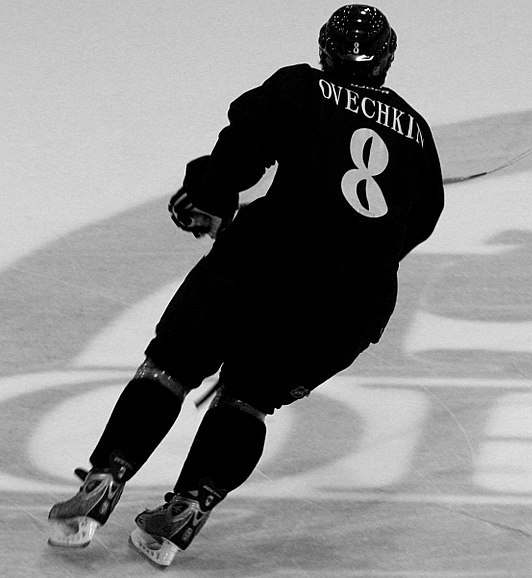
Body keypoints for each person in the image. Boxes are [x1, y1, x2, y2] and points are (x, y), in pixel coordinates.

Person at [47, 4, 444, 568]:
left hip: (268, 259)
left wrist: (209, 197)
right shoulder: (417, 133)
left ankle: (106, 479)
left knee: (171, 367)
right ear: (386, 61)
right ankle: (184, 512)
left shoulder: (303, 87)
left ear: (326, 50)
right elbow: (420, 220)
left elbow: (244, 147)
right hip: (356, 300)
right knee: (250, 400)